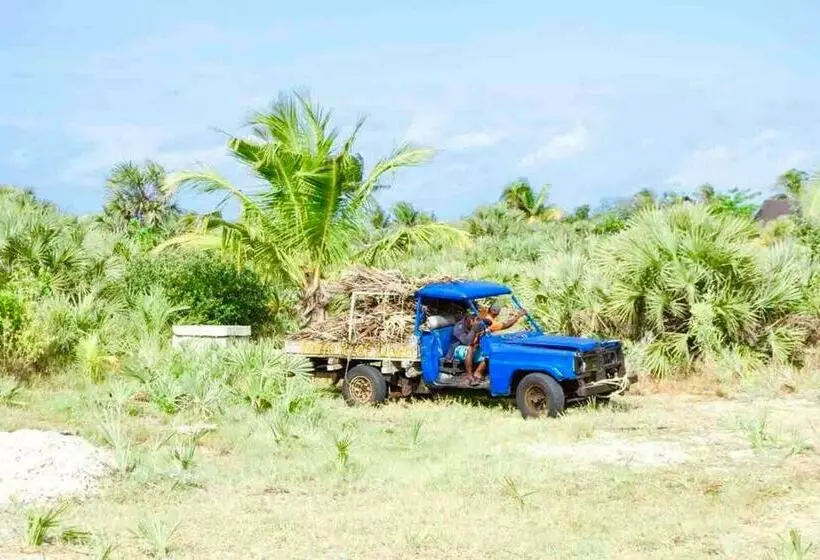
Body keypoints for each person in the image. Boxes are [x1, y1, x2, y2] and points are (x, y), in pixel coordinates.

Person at [448, 314, 490, 386]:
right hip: (456, 349)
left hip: (472, 347)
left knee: (489, 351)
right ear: (471, 320)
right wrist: (474, 330)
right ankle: (469, 376)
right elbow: (467, 342)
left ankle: (477, 373)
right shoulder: (458, 327)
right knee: (470, 349)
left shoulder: (475, 324)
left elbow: (478, 340)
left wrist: (482, 333)